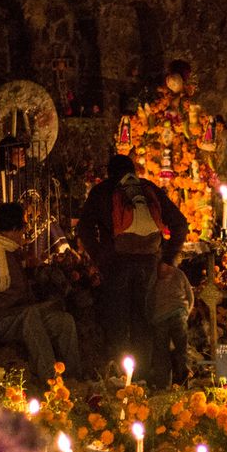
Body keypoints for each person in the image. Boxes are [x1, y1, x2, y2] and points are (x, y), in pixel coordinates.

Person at [77, 154, 188, 377]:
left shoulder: (102, 191)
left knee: (116, 319)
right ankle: (142, 375)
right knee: (144, 319)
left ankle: (119, 375)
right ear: (134, 170)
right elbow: (180, 223)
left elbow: (84, 228)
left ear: (109, 172)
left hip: (115, 263)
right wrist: (167, 258)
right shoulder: (148, 189)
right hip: (149, 264)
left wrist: (99, 256)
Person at [0, 202, 80, 381]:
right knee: (30, 316)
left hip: (22, 313)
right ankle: (52, 382)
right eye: (23, 227)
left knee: (64, 321)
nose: (25, 232)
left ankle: (75, 380)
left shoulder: (12, 251)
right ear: (13, 229)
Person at [148, 259, 194, 389]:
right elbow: (190, 296)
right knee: (181, 352)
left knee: (162, 354)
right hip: (177, 315)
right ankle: (182, 384)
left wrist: (150, 316)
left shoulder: (155, 275)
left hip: (161, 317)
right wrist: (186, 313)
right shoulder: (179, 274)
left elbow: (149, 296)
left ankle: (163, 386)